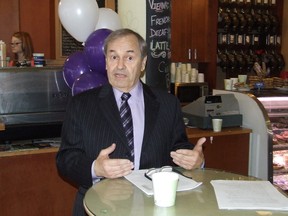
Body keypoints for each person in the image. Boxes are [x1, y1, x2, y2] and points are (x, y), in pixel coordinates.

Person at [56, 28, 205, 216]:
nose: (119, 65)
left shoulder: (167, 103)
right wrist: (96, 168)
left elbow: (178, 147)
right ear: (106, 63)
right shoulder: (81, 104)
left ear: (143, 63)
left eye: (129, 58)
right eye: (113, 57)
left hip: (154, 207)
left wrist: (194, 159)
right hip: (97, 206)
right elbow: (65, 159)